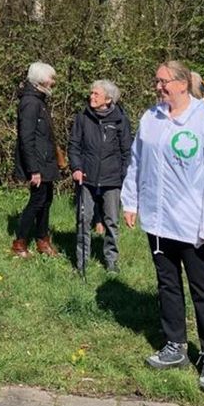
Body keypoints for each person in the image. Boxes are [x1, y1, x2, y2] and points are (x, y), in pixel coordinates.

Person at [122, 60, 204, 392]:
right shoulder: (150, 118)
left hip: (191, 222)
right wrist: (131, 200)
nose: (158, 86)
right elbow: (136, 161)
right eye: (156, 81)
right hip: (157, 220)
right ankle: (174, 346)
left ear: (183, 84)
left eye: (163, 81)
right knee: (167, 284)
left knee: (201, 289)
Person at [68, 79, 132, 274]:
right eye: (92, 93)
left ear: (108, 99)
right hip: (86, 178)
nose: (91, 97)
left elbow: (126, 151)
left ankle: (111, 262)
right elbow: (74, 146)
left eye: (96, 94)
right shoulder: (83, 117)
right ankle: (82, 263)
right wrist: (76, 167)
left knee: (111, 221)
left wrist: (123, 177)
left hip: (112, 180)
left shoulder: (120, 119)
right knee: (83, 220)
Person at [12, 62, 60, 257]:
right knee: (37, 201)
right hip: (37, 164)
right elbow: (26, 138)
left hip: (46, 160)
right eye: (51, 78)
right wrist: (34, 169)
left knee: (46, 200)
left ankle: (42, 240)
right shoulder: (30, 103)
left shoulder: (39, 100)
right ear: (41, 80)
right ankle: (19, 244)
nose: (53, 82)